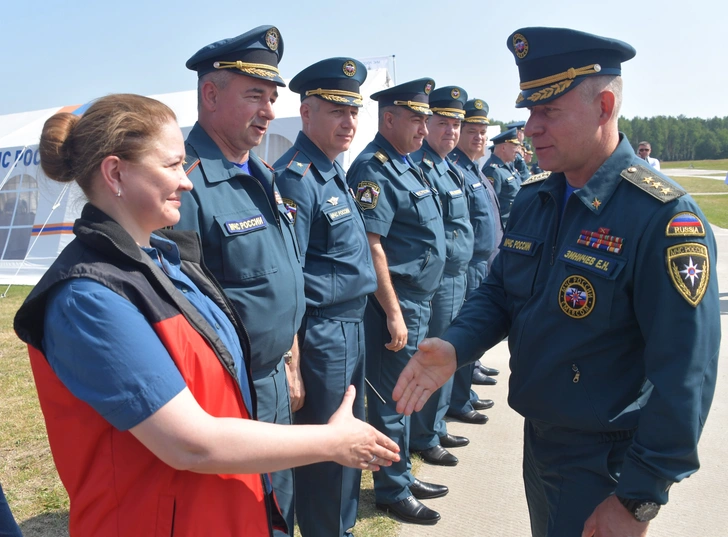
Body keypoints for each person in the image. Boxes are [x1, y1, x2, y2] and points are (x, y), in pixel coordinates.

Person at [13, 94, 399, 537]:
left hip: (216, 512)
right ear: (116, 173)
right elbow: (189, 444)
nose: (188, 182)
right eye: (173, 166)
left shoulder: (165, 261)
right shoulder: (88, 298)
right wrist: (331, 442)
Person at [393, 27, 719, 537]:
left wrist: (637, 499)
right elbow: (501, 291)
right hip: (542, 442)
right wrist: (457, 345)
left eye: (549, 111)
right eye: (529, 111)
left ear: (605, 105)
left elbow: (687, 373)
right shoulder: (538, 196)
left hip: (605, 463)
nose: (531, 128)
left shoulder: (662, 217)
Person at [174, 27, 305, 534]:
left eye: (272, 98)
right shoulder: (184, 182)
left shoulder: (262, 174)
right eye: (255, 96)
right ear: (210, 94)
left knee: (279, 509)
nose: (269, 111)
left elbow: (279, 277)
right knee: (240, 514)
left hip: (273, 378)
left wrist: (291, 360)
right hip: (227, 395)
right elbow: (180, 315)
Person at [272, 57, 378, 537]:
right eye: (337, 111)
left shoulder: (332, 171)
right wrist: (292, 361)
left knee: (348, 437)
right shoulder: (296, 177)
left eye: (353, 112)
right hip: (322, 331)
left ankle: (342, 527)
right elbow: (288, 276)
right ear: (306, 113)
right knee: (327, 446)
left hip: (351, 324)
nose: (349, 123)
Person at [346, 78, 447, 525]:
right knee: (390, 399)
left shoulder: (407, 164)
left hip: (419, 300)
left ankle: (401, 472)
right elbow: (373, 247)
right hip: (398, 303)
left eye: (426, 119)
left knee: (407, 395)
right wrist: (392, 312)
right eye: (417, 118)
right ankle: (391, 490)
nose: (425, 128)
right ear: (389, 119)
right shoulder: (373, 168)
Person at [409, 86, 474, 466]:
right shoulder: (421, 165)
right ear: (427, 124)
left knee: (451, 351)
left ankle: (436, 424)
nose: (451, 131)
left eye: (456, 125)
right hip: (439, 278)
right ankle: (425, 433)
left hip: (459, 273)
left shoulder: (449, 167)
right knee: (437, 353)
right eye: (443, 124)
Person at [448, 97, 503, 424]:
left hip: (482, 264)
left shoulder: (474, 170)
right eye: (473, 131)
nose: (480, 137)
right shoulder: (457, 170)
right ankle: (458, 399)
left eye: (483, 131)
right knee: (463, 333)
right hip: (467, 267)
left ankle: (463, 393)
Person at [482, 127, 522, 225]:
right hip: (503, 227)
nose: (517, 150)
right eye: (514, 146)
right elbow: (491, 206)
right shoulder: (493, 170)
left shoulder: (508, 166)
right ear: (503, 148)